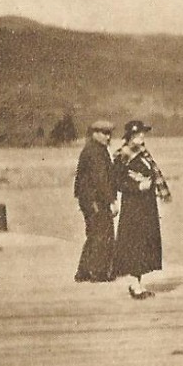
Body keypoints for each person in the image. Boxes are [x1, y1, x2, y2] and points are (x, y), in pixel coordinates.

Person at [111, 119, 170, 299]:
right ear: (130, 137)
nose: (142, 136)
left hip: (146, 205)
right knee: (135, 243)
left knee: (143, 243)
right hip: (134, 206)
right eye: (138, 134)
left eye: (142, 133)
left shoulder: (143, 153)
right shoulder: (123, 155)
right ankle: (135, 285)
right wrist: (137, 187)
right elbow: (117, 182)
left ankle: (137, 283)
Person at [72, 119, 118, 282]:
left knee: (93, 234)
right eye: (104, 133)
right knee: (103, 234)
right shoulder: (96, 152)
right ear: (95, 134)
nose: (108, 137)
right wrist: (112, 200)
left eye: (109, 133)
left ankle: (83, 272)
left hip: (88, 199)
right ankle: (98, 273)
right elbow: (101, 179)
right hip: (95, 200)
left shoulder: (93, 149)